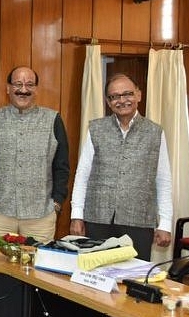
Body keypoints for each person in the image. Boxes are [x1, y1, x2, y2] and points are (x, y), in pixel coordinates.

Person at [70, 73, 172, 261]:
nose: (122, 100)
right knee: (95, 277)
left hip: (139, 221)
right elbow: (83, 174)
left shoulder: (155, 132)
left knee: (133, 280)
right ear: (108, 102)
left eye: (128, 94)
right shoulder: (96, 129)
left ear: (139, 95)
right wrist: (77, 215)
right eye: (114, 96)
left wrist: (165, 223)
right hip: (98, 218)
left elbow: (163, 179)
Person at [0, 66, 70, 243]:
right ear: (8, 88)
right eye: (18, 84)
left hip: (40, 216)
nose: (23, 89)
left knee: (37, 267)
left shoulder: (53, 119)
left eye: (29, 84)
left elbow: (62, 165)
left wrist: (57, 203)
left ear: (36, 89)